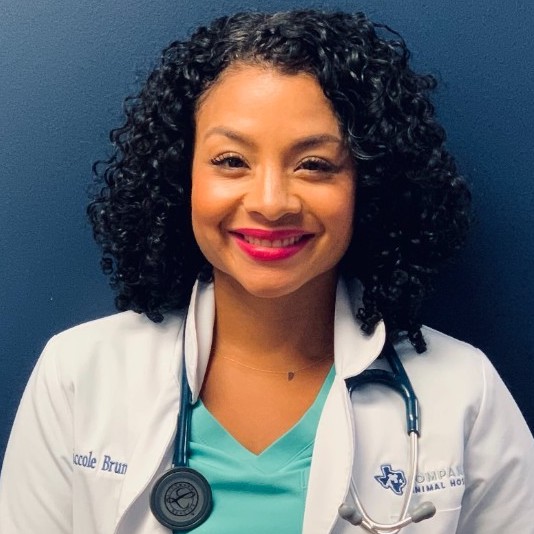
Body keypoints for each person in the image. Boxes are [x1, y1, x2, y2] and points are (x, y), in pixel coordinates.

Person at [1, 9, 533, 534]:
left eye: (314, 165)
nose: (272, 202)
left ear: (368, 185)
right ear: (181, 177)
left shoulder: (464, 391)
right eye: (232, 161)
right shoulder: (78, 374)